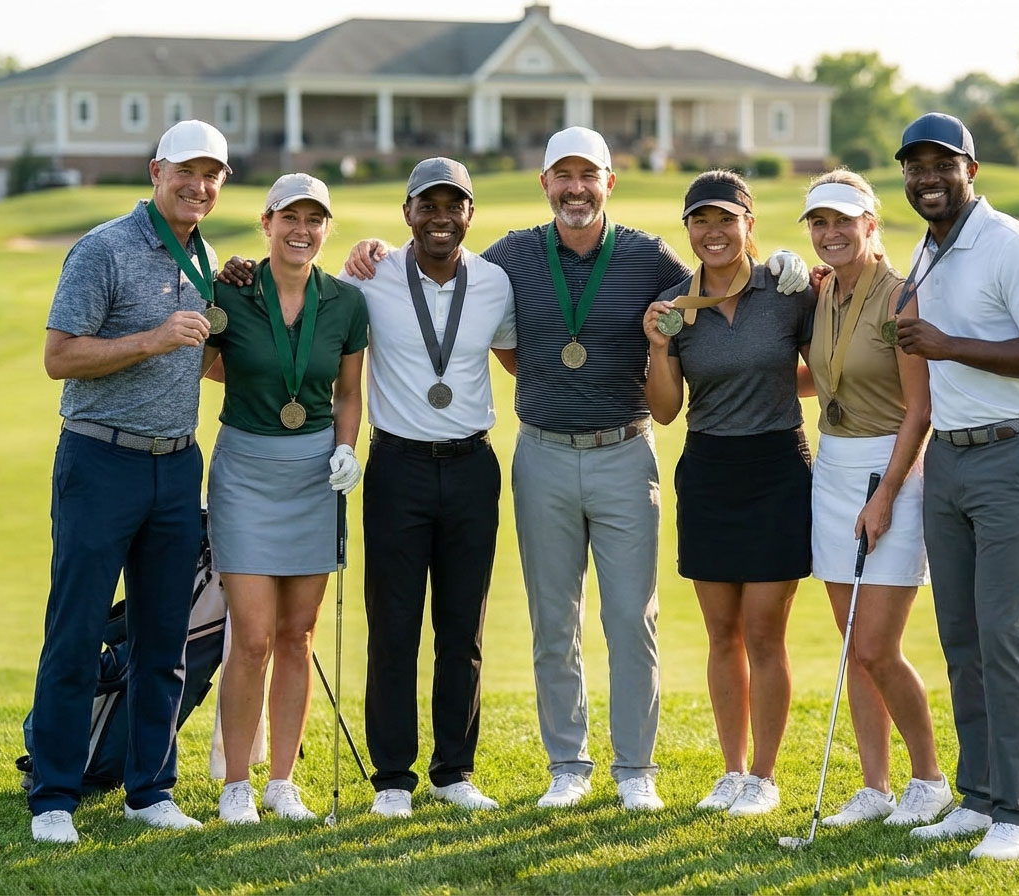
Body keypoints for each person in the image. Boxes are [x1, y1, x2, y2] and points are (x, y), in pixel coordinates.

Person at [340, 128, 807, 812]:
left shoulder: (649, 256)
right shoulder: (513, 258)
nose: (576, 188)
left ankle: (634, 770)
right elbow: (444, 268)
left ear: (609, 182)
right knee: (554, 622)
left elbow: (718, 280)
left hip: (625, 452)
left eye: (588, 175)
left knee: (630, 619)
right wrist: (372, 248)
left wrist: (784, 266)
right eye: (563, 175)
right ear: (545, 184)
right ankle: (568, 765)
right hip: (542, 456)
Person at [31, 120, 231, 843]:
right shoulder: (104, 248)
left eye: (212, 175)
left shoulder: (209, 258)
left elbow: (203, 359)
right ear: (155, 171)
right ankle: (54, 795)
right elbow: (59, 357)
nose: (198, 185)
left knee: (164, 639)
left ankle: (150, 791)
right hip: (99, 460)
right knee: (77, 630)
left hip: (178, 465)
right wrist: (151, 337)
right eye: (186, 170)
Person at [893, 113, 1019, 860]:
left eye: (943, 164)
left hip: (1014, 456)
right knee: (961, 637)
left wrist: (948, 346)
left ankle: (1017, 816)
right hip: (951, 461)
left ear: (972, 169)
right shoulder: (927, 248)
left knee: (1003, 635)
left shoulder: (1012, 246)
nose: (928, 177)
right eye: (915, 166)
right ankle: (977, 796)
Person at [340, 157, 516, 818]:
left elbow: (517, 351)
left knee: (461, 628)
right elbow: (300, 294)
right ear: (407, 211)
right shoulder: (369, 276)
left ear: (470, 213)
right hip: (398, 467)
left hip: (473, 466)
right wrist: (241, 272)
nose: (441, 219)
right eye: (428, 206)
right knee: (393, 625)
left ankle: (454, 771)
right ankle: (391, 778)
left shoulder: (496, 283)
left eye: (454, 206)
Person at [642, 170, 816, 816]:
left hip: (777, 467)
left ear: (749, 223)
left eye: (725, 219)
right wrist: (658, 349)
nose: (712, 233)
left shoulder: (788, 290)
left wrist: (814, 280)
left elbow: (825, 367)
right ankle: (733, 770)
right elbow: (663, 411)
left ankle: (765, 778)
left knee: (765, 631)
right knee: (723, 634)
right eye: (699, 221)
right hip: (711, 469)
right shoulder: (674, 304)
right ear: (687, 230)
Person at [201, 173, 367, 824]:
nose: (302, 229)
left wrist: (349, 447)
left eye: (315, 219)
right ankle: (235, 783)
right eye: (288, 217)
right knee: (252, 638)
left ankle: (282, 782)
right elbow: (205, 361)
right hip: (244, 469)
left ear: (327, 227)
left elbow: (349, 393)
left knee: (297, 636)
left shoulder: (346, 303)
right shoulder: (231, 290)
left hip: (314, 473)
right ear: (265, 223)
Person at [795, 169, 953, 828]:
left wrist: (887, 494)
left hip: (892, 474)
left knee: (877, 649)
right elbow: (819, 378)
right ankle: (874, 787)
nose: (831, 234)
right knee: (853, 647)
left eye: (843, 221)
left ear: (871, 223)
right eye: (819, 223)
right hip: (832, 471)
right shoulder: (823, 292)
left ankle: (931, 780)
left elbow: (921, 409)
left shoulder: (901, 296)